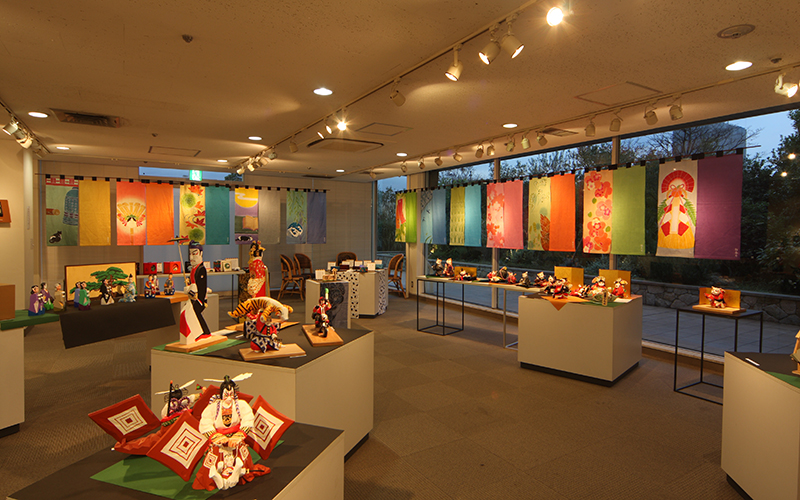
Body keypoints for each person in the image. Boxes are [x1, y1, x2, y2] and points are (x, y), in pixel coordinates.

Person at [193, 374, 269, 491]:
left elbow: (248, 419)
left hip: (236, 439)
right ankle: (216, 475)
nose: (229, 396)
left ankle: (237, 472)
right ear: (221, 394)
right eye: (226, 394)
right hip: (219, 440)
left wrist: (238, 436)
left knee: (241, 457)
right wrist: (217, 437)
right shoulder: (214, 406)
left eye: (231, 393)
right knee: (214, 459)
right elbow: (205, 422)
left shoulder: (240, 404)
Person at [181, 241, 211, 342]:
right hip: (194, 297)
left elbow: (201, 287)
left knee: (196, 312)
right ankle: (198, 332)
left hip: (199, 298)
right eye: (190, 254)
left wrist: (200, 300)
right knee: (191, 313)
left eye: (194, 253)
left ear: (201, 253)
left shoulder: (201, 269)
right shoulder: (194, 269)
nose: (191, 257)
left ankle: (205, 332)